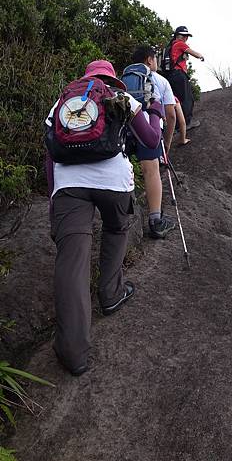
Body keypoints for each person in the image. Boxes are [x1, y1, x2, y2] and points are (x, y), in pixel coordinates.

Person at [45, 59, 163, 376]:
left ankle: (73, 354)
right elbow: (151, 141)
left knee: (72, 261)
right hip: (113, 183)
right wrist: (154, 111)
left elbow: (50, 152)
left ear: (86, 78)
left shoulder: (62, 101)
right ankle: (111, 294)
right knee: (116, 227)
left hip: (69, 187)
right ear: (112, 79)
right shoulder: (121, 97)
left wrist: (54, 198)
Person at [129, 45, 176, 239]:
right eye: (155, 58)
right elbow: (171, 114)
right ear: (149, 60)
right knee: (151, 170)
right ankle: (155, 221)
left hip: (128, 125)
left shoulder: (126, 78)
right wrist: (166, 145)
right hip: (149, 127)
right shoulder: (160, 80)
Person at [165, 26, 204, 130]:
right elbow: (194, 53)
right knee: (187, 99)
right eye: (184, 36)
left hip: (172, 76)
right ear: (178, 36)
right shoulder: (179, 44)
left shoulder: (172, 45)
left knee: (177, 101)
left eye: (187, 36)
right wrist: (201, 56)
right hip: (179, 75)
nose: (186, 38)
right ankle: (187, 123)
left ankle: (177, 125)